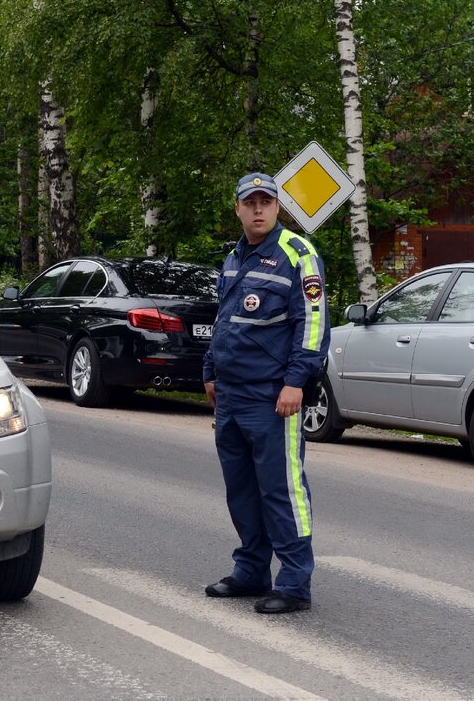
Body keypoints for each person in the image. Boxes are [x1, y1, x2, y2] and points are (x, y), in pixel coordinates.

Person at [202, 172, 331, 614]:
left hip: (272, 396)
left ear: (278, 207)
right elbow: (224, 318)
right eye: (250, 202)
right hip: (232, 396)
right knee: (241, 490)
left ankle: (294, 583)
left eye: (267, 202)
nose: (259, 209)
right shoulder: (235, 257)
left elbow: (311, 324)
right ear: (237, 208)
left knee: (281, 489)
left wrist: (296, 381)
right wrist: (209, 370)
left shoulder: (298, 253)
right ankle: (252, 571)